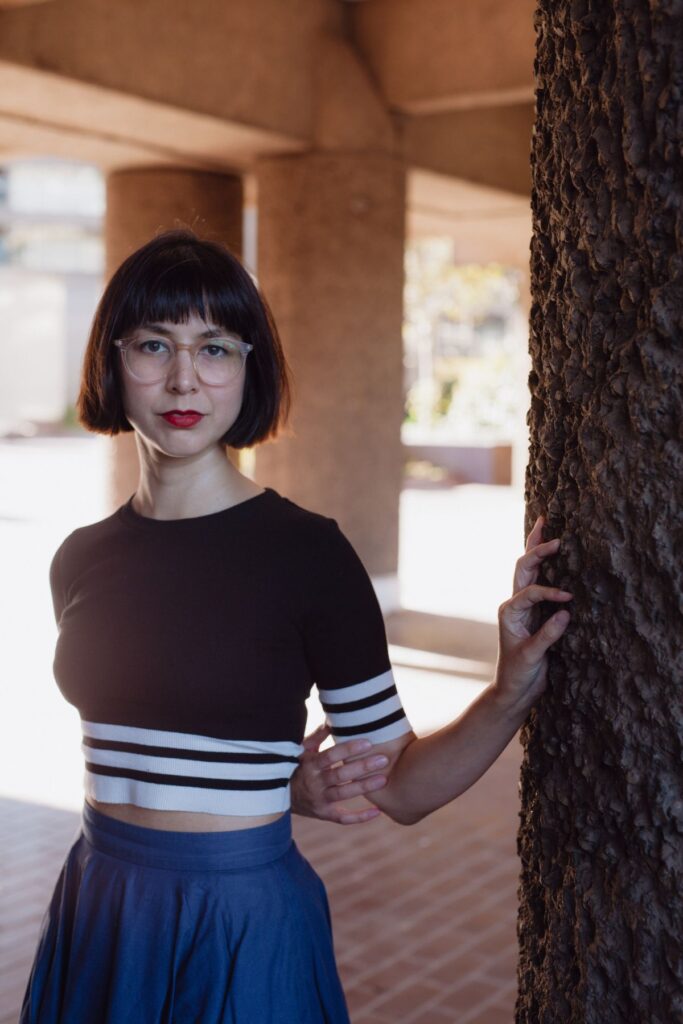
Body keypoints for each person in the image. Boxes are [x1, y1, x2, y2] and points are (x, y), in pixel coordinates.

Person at [20, 228, 573, 1024]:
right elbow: (164, 736)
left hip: (242, 921)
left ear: (250, 368)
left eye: (215, 348)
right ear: (112, 361)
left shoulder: (308, 554)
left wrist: (508, 690)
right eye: (153, 345)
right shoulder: (79, 557)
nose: (184, 378)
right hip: (102, 903)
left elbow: (403, 788)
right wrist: (281, 786)